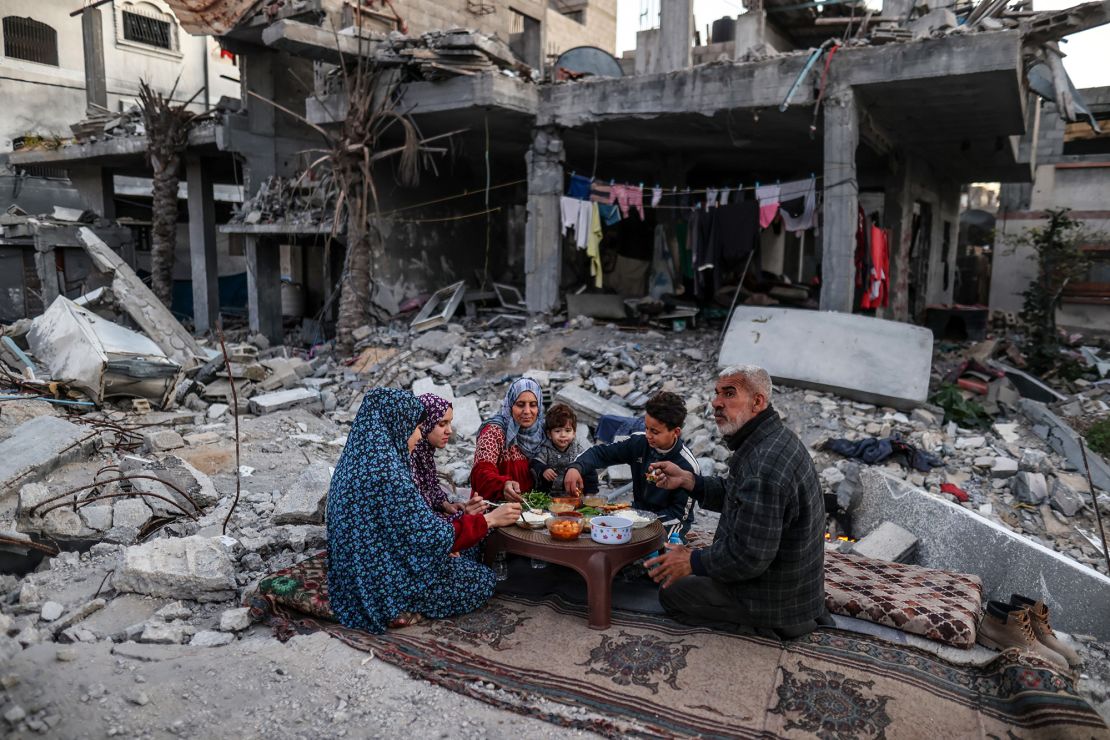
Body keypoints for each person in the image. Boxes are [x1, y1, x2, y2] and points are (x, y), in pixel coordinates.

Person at [644, 366, 828, 639]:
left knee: (672, 593)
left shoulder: (763, 464)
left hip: (773, 596)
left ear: (758, 402)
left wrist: (692, 561)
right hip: (791, 582)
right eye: (717, 393)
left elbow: (748, 557)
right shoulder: (770, 438)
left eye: (729, 394)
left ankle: (771, 628)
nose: (716, 402)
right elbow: (738, 494)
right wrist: (689, 481)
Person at [326, 387, 521, 633]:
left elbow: (407, 526)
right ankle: (401, 609)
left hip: (357, 568)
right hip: (382, 577)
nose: (419, 435)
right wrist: (489, 520)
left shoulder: (359, 458)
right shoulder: (389, 474)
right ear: (397, 426)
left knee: (466, 548)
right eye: (416, 427)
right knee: (482, 580)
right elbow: (428, 536)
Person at [563, 391, 700, 531]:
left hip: (669, 525)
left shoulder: (687, 466)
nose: (648, 435)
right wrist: (576, 467)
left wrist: (641, 523)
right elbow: (601, 453)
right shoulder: (639, 443)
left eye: (655, 432)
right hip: (636, 515)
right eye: (646, 428)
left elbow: (679, 516)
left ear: (676, 432)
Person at [410, 393, 487, 522]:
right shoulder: (409, 457)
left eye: (449, 423)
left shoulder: (424, 452)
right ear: (425, 424)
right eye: (442, 424)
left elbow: (430, 488)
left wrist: (445, 505)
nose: (449, 431)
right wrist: (463, 516)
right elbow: (422, 522)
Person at [471, 377, 545, 502]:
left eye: (533, 405)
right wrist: (502, 485)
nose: (527, 411)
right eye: (520, 405)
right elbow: (481, 473)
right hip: (496, 507)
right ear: (510, 405)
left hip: (533, 509)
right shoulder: (494, 432)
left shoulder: (543, 432)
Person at [528, 403, 599, 495]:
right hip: (549, 493)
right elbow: (535, 462)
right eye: (557, 431)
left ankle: (590, 495)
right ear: (549, 434)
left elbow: (589, 466)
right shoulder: (545, 448)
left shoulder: (577, 449)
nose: (563, 435)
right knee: (536, 472)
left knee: (589, 467)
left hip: (572, 491)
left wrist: (591, 491)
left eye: (568, 431)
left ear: (574, 433)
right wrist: (543, 469)